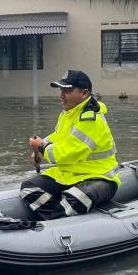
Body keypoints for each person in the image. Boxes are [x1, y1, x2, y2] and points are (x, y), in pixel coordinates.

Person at [21, 70, 121, 220]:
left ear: (84, 93)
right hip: (69, 176)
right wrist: (40, 150)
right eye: (61, 90)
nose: (61, 95)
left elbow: (66, 153)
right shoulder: (67, 114)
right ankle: (56, 219)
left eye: (67, 90)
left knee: (77, 198)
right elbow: (58, 137)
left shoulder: (91, 119)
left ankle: (57, 221)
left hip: (99, 178)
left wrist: (41, 146)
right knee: (28, 187)